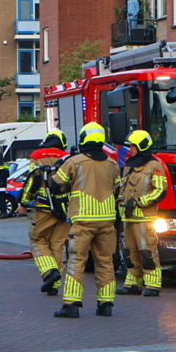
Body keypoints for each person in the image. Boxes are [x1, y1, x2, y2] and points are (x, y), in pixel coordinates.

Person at [51, 122, 120, 318]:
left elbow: (56, 185)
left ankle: (71, 305)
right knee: (105, 262)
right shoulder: (112, 164)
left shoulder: (74, 162)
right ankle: (106, 304)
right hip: (107, 221)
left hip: (82, 221)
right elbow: (117, 189)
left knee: (76, 261)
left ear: (83, 139)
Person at [18, 130, 71, 295]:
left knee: (37, 240)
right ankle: (54, 286)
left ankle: (49, 272)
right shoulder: (68, 157)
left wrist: (23, 203)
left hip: (43, 208)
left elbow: (32, 179)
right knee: (57, 244)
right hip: (64, 209)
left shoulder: (37, 155)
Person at [116, 130, 167, 297]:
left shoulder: (155, 165)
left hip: (145, 217)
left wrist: (139, 202)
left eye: (133, 146)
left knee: (147, 251)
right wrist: (120, 202)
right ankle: (133, 283)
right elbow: (123, 189)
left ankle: (153, 284)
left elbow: (160, 191)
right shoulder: (129, 165)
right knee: (129, 252)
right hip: (128, 217)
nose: (130, 149)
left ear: (141, 146)